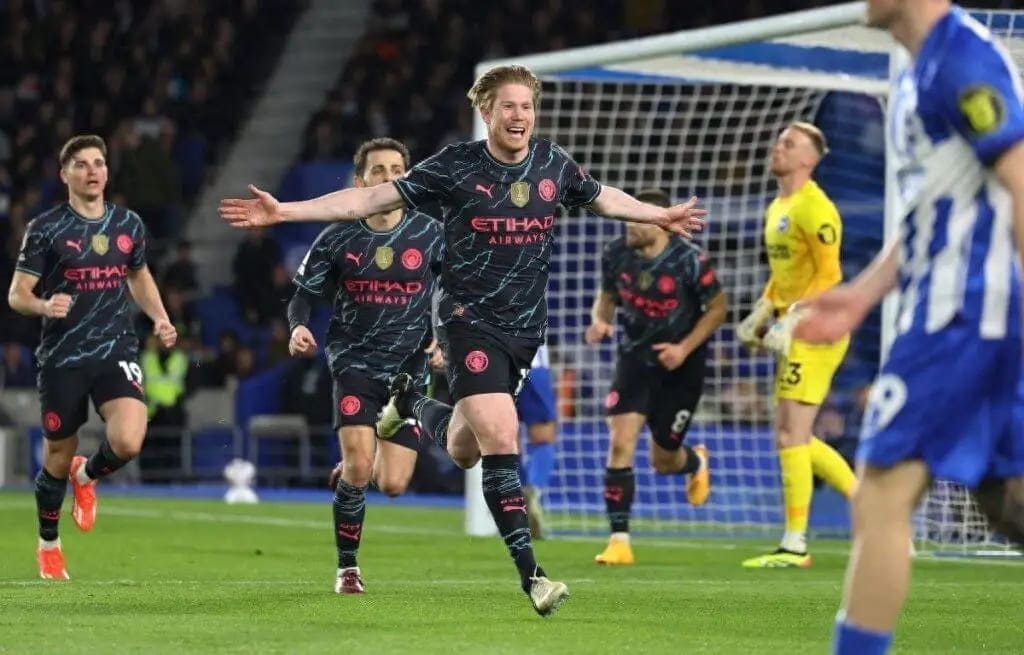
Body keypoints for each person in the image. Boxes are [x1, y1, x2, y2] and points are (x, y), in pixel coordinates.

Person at [221, 64, 706, 617]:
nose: (519, 115)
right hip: (466, 322)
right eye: (508, 106)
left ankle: (408, 406)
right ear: (486, 111)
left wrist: (659, 215)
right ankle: (533, 577)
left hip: (524, 331)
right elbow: (367, 201)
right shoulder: (455, 166)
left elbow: (603, 197)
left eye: (527, 106)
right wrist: (285, 211)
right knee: (502, 434)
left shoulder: (552, 164)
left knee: (464, 447)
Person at [793, 3, 1024, 653]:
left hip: (965, 314)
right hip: (956, 311)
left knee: (881, 495)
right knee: (1008, 503)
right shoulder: (917, 73)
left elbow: (1020, 178)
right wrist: (862, 296)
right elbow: (934, 207)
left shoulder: (962, 57)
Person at [8, 134, 177, 580]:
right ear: (64, 174)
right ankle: (49, 544)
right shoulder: (46, 228)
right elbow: (17, 295)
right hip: (63, 355)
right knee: (56, 457)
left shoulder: (128, 223)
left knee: (129, 441)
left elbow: (138, 275)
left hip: (115, 347)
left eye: (98, 162)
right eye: (81, 164)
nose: (92, 171)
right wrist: (44, 305)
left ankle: (87, 476)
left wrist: (160, 317)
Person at [286, 138, 444, 595]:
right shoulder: (338, 236)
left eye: (397, 169)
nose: (388, 177)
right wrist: (298, 326)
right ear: (361, 181)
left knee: (393, 484)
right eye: (378, 170)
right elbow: (302, 296)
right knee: (359, 469)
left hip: (409, 372)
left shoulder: (432, 234)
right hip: (354, 363)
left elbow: (458, 291)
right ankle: (348, 569)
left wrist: (446, 337)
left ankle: (356, 463)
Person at [736, 122, 858, 569]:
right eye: (779, 141)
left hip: (817, 328)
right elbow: (784, 275)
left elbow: (830, 275)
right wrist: (763, 310)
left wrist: (794, 317)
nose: (778, 148)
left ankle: (794, 544)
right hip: (795, 326)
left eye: (789, 144)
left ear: (809, 159)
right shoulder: (779, 205)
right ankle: (868, 505)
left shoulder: (815, 207)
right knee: (793, 435)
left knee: (791, 434)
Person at [584, 188, 726, 565]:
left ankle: (694, 462)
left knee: (663, 460)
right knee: (620, 442)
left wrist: (684, 348)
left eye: (637, 218)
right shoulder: (615, 253)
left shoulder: (690, 259)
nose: (629, 225)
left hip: (681, 366)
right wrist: (600, 321)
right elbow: (607, 297)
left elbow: (718, 309)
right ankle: (619, 541)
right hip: (634, 359)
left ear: (660, 223)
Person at [517, 344, 558, 539]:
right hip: (532, 361)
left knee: (504, 440)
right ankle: (533, 489)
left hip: (492, 365)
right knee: (543, 437)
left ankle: (519, 494)